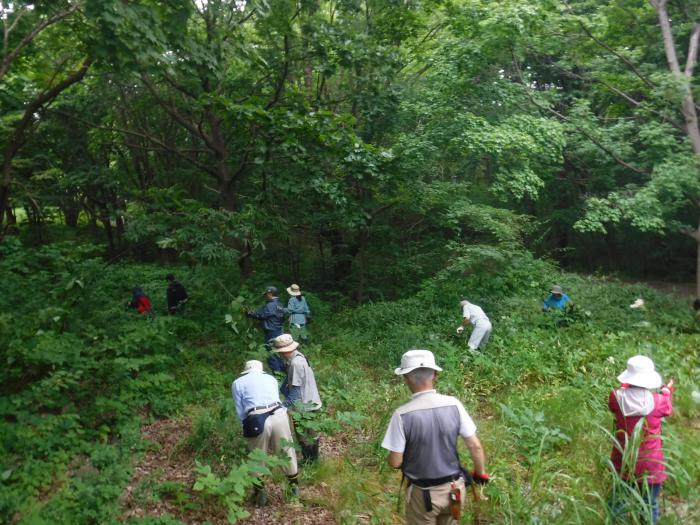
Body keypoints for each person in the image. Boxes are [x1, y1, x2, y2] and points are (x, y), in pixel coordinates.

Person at [382, 349, 490, 524]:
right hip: (454, 490)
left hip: (423, 495)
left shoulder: (401, 415)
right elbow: (475, 446)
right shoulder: (454, 405)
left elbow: (395, 462)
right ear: (435, 375)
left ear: (406, 378)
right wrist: (481, 474)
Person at [608, 355, 674, 524]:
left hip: (623, 459)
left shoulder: (616, 396)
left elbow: (615, 401)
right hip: (650, 462)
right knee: (649, 504)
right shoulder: (658, 401)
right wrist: (667, 390)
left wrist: (625, 387)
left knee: (618, 501)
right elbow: (667, 406)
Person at [231, 360, 299, 505]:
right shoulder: (271, 379)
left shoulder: (238, 383)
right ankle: (294, 489)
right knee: (286, 451)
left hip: (256, 417)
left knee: (257, 456)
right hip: (278, 414)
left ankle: (260, 494)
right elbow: (276, 397)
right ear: (261, 369)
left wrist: (246, 423)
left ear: (246, 370)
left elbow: (240, 410)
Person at [272, 334, 322, 463]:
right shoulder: (298, 356)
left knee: (304, 435)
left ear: (285, 351)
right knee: (310, 433)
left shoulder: (295, 363)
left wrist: (283, 406)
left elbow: (295, 391)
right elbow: (289, 381)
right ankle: (311, 461)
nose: (280, 355)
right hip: (310, 402)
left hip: (304, 405)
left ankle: (310, 461)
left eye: (280, 352)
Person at [247, 286, 288, 372]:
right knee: (278, 354)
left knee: (271, 355)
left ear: (270, 294)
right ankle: (284, 374)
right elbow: (283, 317)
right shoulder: (280, 305)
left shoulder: (270, 305)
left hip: (271, 333)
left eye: (266, 294)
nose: (266, 296)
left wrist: (250, 313)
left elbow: (261, 315)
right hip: (279, 331)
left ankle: (278, 376)